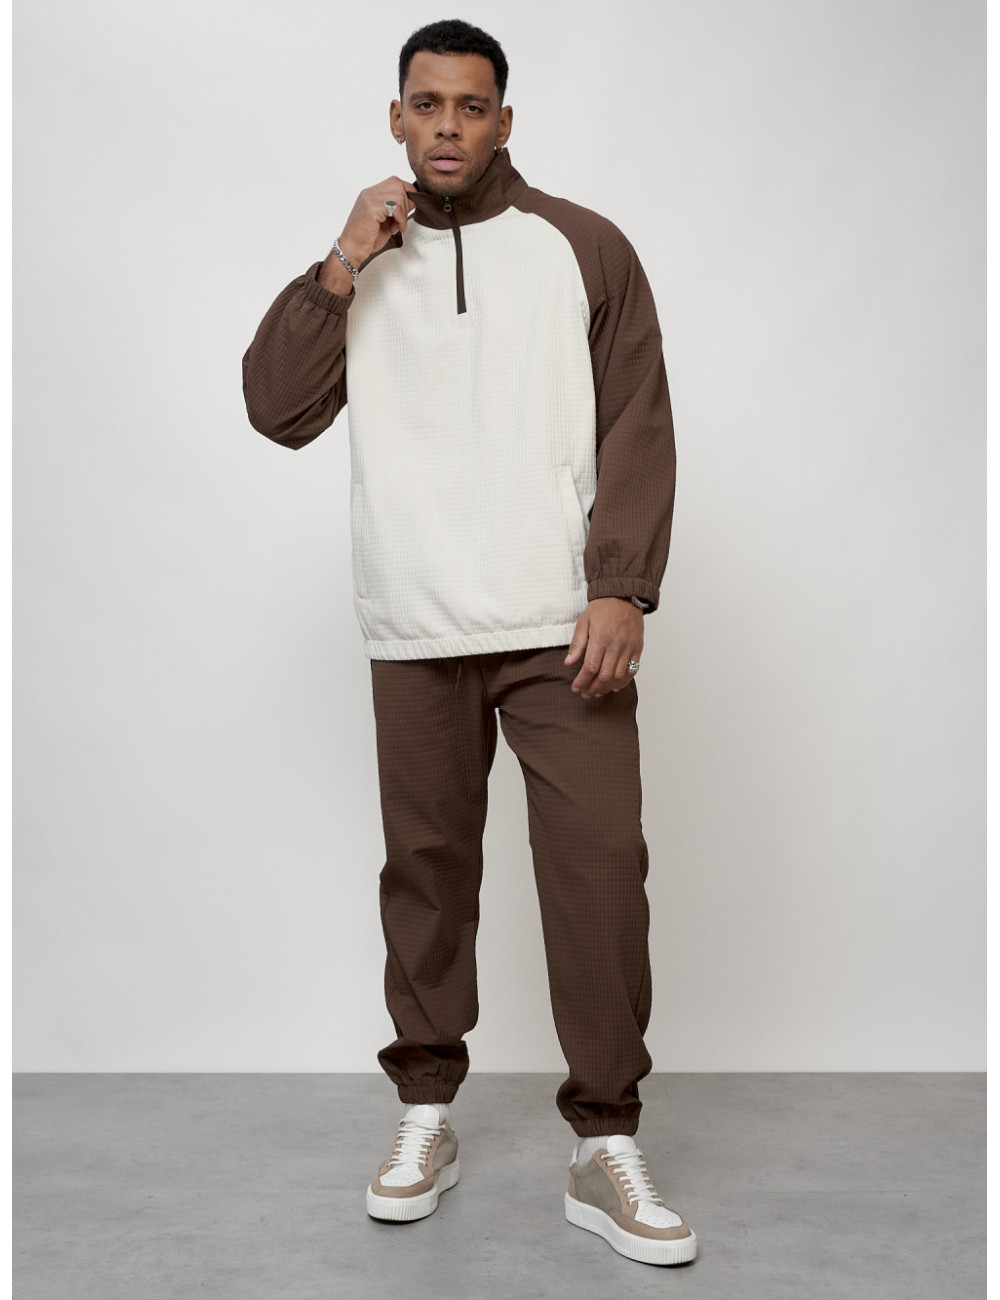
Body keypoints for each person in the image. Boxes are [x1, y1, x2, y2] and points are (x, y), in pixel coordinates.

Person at [241, 18, 696, 1267]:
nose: (448, 125)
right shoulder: (359, 265)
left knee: (599, 871)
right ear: (395, 118)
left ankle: (604, 1141)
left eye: (471, 105)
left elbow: (639, 419)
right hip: (414, 621)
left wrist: (621, 587)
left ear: (504, 120)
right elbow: (275, 409)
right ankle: (425, 1114)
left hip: (563, 628)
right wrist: (342, 260)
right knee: (427, 876)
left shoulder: (581, 245)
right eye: (427, 104)